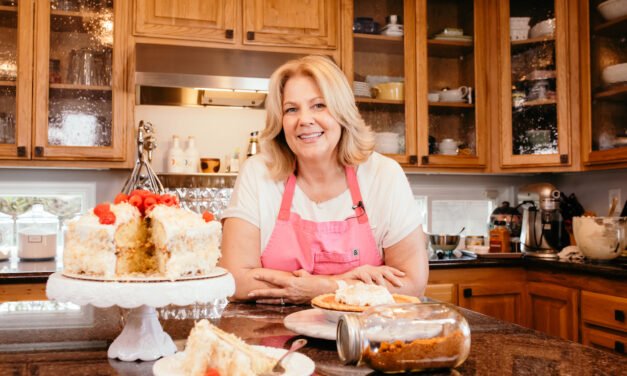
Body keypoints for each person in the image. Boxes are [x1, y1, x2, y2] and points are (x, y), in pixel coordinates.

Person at [219, 55, 428, 305]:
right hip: (272, 337)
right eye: (291, 109)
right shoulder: (258, 173)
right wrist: (346, 283)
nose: (305, 120)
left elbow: (412, 283)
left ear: (342, 112)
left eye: (319, 105)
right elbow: (235, 280)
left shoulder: (384, 175)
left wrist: (325, 287)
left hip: (365, 338)